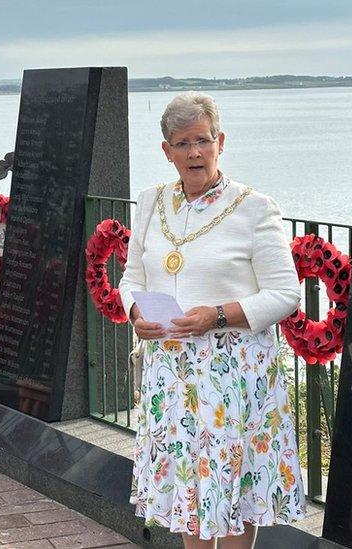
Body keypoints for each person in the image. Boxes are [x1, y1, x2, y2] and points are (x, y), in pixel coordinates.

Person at [119, 92, 306, 548]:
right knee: (188, 487)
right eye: (182, 144)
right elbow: (130, 277)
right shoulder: (150, 203)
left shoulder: (254, 208)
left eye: (203, 140)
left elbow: (286, 295)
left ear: (220, 141)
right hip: (172, 372)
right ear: (166, 151)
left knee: (233, 487)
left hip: (234, 375)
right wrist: (136, 312)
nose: (194, 153)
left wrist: (218, 316)